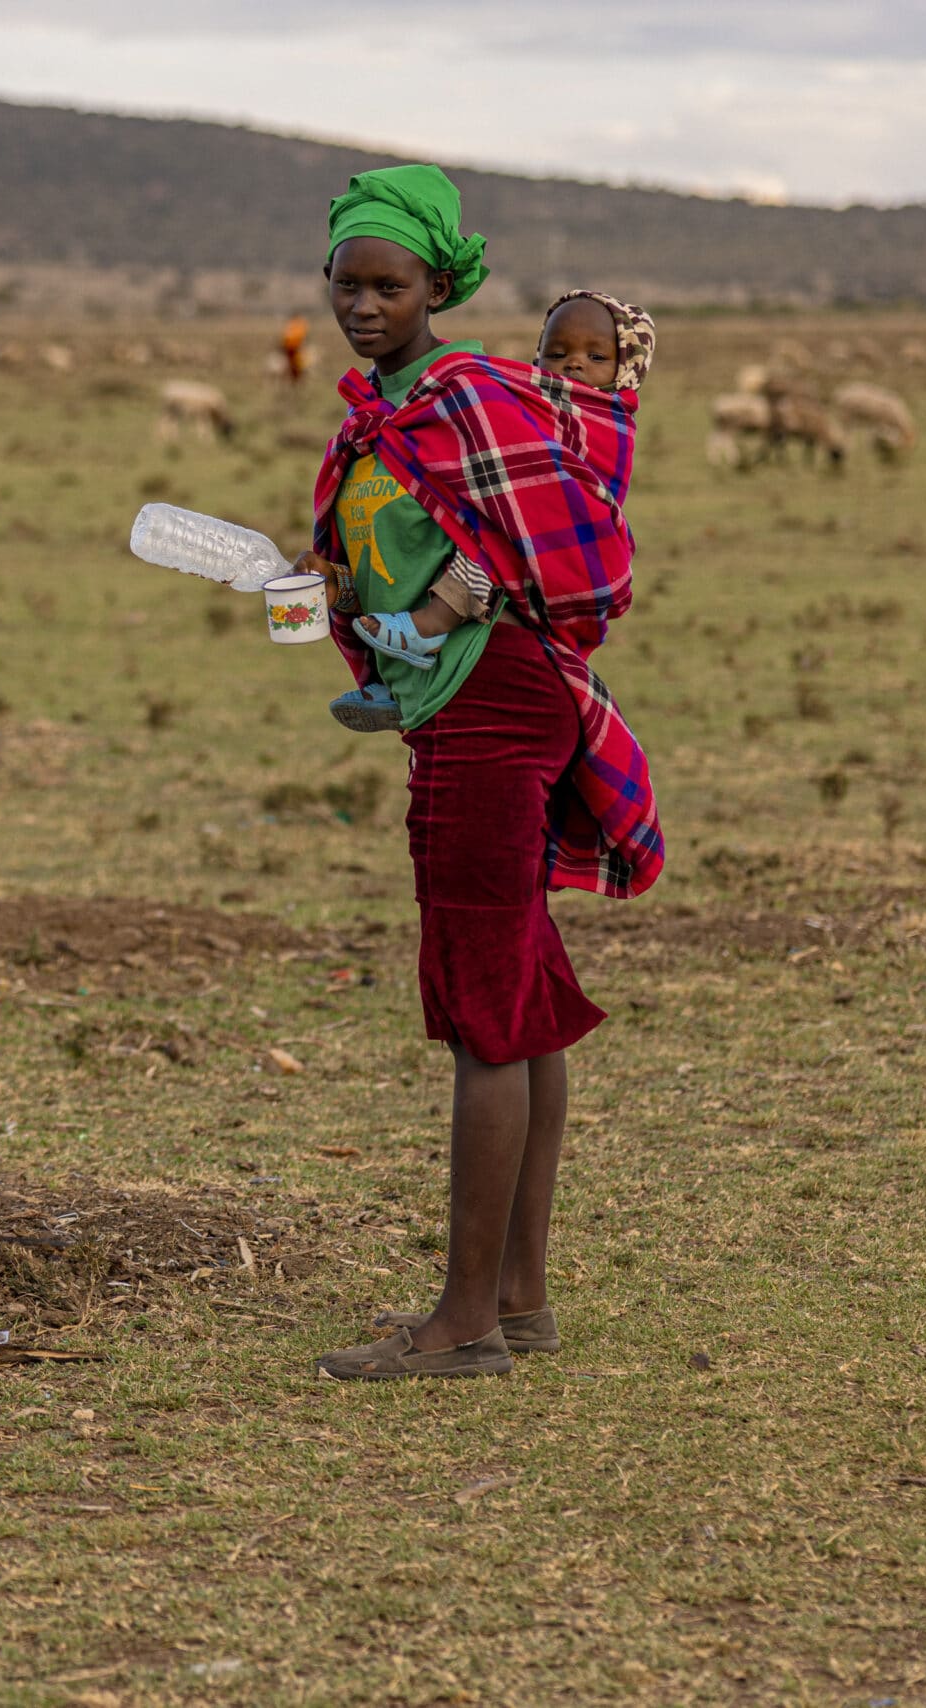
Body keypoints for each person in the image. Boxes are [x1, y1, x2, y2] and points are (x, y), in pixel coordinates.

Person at [296, 167, 663, 1380]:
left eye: (388, 284)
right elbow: (414, 554)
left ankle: (462, 1326)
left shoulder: (467, 397)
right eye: (345, 283)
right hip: (457, 702)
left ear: (438, 286)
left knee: (483, 1015)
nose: (362, 304)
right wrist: (333, 600)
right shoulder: (380, 417)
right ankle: (517, 1295)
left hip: (491, 708)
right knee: (521, 996)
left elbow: (566, 557)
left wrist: (448, 615)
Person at [328, 287, 655, 733]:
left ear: (626, 373)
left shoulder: (606, 420)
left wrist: (508, 507)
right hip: (510, 530)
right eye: (557, 353)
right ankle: (396, 683)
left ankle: (431, 625)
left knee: (484, 544)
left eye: (596, 358)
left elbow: (568, 495)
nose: (574, 365)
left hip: (540, 545)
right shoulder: (524, 398)